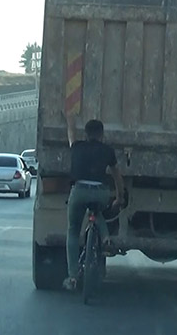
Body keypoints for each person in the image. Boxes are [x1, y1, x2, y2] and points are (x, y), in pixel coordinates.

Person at [63, 114, 125, 291]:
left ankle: (73, 276)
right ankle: (105, 238)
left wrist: (70, 120)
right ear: (102, 134)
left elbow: (71, 135)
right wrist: (119, 197)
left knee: (73, 230)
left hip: (79, 190)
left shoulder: (77, 147)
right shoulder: (107, 150)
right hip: (100, 192)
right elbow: (117, 176)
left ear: (86, 134)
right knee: (96, 212)